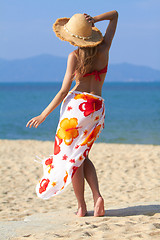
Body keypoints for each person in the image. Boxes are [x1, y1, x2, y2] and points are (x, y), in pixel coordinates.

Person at [26, 11, 118, 217]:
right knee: (82, 155)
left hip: (76, 109)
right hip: (96, 108)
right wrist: (95, 19)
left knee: (71, 159)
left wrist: (43, 114)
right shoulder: (104, 49)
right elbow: (115, 15)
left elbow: (63, 91)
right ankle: (97, 196)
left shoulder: (74, 57)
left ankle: (81, 207)